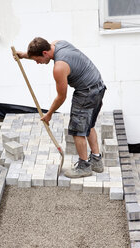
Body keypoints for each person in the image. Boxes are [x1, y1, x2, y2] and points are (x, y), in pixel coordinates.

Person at [14, 37, 106, 178]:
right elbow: (42, 52)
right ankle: (96, 160)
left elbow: (61, 96)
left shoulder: (59, 67)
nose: (38, 63)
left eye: (37, 60)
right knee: (88, 125)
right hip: (98, 86)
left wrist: (49, 114)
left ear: (44, 53)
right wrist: (24, 55)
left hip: (86, 93)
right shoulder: (59, 43)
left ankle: (84, 166)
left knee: (77, 130)